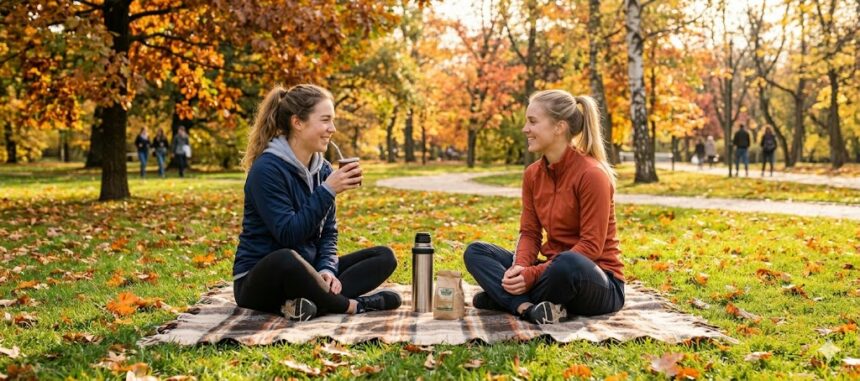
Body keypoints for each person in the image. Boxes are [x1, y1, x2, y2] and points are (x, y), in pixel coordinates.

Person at [232, 84, 401, 321]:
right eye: (325, 120)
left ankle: (310, 302)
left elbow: (328, 233)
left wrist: (326, 270)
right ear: (298, 123)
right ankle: (352, 306)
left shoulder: (323, 170)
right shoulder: (266, 170)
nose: (332, 129)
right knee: (286, 257)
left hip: (309, 273)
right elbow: (289, 234)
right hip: (261, 280)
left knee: (384, 256)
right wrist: (328, 190)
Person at [463, 90, 624, 325]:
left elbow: (591, 247)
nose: (525, 129)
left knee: (568, 263)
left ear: (559, 127)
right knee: (477, 251)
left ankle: (503, 298)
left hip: (596, 281)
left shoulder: (592, 174)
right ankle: (527, 307)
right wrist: (520, 269)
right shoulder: (532, 175)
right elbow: (529, 232)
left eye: (533, 121)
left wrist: (532, 275)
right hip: (551, 271)